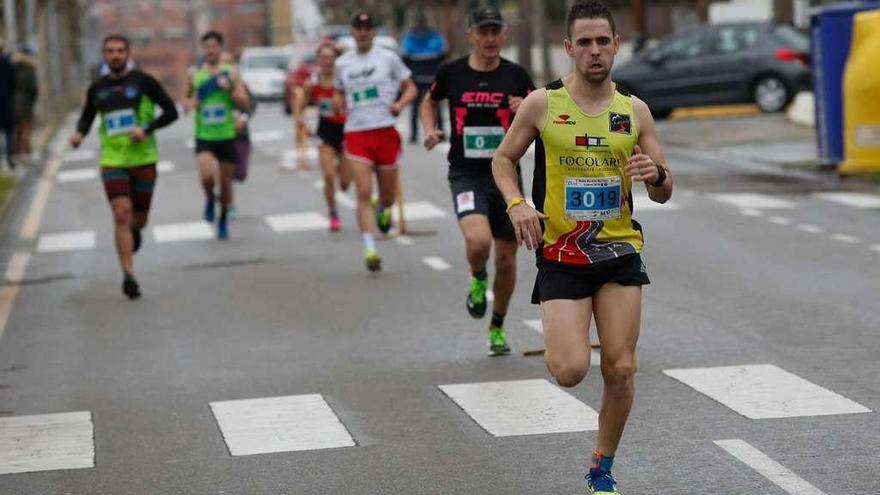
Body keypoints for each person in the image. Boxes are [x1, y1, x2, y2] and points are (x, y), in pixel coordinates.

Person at [491, 2, 673, 493]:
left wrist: (655, 175)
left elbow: (663, 186)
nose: (595, 51)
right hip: (562, 256)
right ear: (569, 48)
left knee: (620, 366)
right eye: (585, 43)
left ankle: (602, 466)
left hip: (618, 251)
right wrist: (516, 204)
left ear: (617, 45)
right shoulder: (542, 104)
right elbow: (504, 159)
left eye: (603, 41)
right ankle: (561, 337)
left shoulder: (633, 111)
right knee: (570, 370)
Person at [421, 7, 535, 356]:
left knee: (506, 260)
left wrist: (526, 105)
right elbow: (430, 100)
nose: (489, 38)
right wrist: (431, 129)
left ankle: (497, 326)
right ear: (470, 35)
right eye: (482, 32)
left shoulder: (516, 75)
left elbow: (541, 111)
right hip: (466, 173)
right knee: (477, 241)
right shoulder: (452, 73)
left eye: (495, 31)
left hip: (506, 178)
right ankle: (476, 275)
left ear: (503, 35)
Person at [69, 34, 179, 299]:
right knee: (121, 213)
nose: (115, 55)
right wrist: (79, 134)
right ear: (104, 55)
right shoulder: (97, 88)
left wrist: (147, 128)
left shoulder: (145, 82)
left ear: (128, 54)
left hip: (143, 159)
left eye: (120, 50)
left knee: (138, 218)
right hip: (113, 160)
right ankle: (128, 275)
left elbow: (171, 112)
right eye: (110, 51)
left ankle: (136, 231)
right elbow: (87, 117)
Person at [334, 11, 418, 271]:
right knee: (362, 191)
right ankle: (370, 247)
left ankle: (384, 207)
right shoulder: (342, 63)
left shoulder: (388, 58)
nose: (363, 32)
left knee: (388, 195)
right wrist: (338, 104)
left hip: (384, 131)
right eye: (358, 28)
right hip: (357, 133)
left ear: (373, 32)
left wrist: (399, 104)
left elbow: (412, 88)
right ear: (352, 32)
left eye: (367, 28)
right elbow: (338, 91)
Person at [183, 31, 250, 240]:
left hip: (226, 135)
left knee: (226, 183)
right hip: (204, 134)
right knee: (206, 175)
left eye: (214, 47)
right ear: (202, 50)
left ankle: (222, 218)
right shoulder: (194, 73)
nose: (210, 50)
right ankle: (210, 199)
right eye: (207, 47)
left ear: (220, 49)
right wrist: (192, 103)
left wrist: (229, 88)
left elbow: (244, 102)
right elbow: (186, 102)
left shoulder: (231, 72)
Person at [294, 43, 350, 232]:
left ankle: (341, 169)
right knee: (327, 175)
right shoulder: (313, 83)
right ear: (318, 60)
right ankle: (333, 213)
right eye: (323, 58)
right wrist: (303, 123)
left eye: (330, 58)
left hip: (346, 130)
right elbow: (299, 107)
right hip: (325, 131)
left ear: (335, 60)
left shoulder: (344, 81)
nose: (326, 61)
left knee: (345, 183)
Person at [219, 51, 256, 219]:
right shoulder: (213, 84)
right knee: (226, 172)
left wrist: (243, 117)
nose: (225, 67)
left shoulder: (242, 85)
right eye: (222, 63)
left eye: (229, 63)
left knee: (240, 173)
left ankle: (226, 194)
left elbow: (252, 104)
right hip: (221, 135)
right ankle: (229, 203)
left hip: (241, 134)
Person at [401, 14, 447, 144]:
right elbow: (443, 53)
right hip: (432, 76)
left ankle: (414, 135)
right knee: (435, 105)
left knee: (416, 108)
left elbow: (405, 56)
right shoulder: (435, 36)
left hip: (417, 77)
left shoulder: (410, 37)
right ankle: (441, 130)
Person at [12, 44, 38, 164]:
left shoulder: (12, 67)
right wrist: (32, 100)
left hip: (12, 104)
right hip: (26, 104)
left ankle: (17, 153)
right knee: (26, 129)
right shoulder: (29, 69)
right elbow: (34, 88)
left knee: (17, 130)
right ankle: (26, 153)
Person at [0, 41, 15, 171]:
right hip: (6, 101)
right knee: (9, 130)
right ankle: (9, 157)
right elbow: (13, 83)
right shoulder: (7, 63)